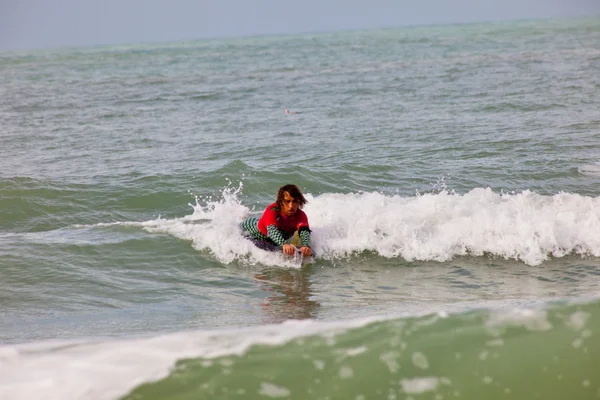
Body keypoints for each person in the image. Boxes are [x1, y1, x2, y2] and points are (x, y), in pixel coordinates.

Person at [240, 184, 313, 257]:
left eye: (294, 201)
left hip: (271, 241)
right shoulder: (272, 210)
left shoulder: (301, 215)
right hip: (250, 230)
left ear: (298, 202)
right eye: (287, 201)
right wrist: (285, 244)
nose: (291, 206)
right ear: (281, 201)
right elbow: (272, 231)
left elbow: (304, 232)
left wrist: (306, 246)